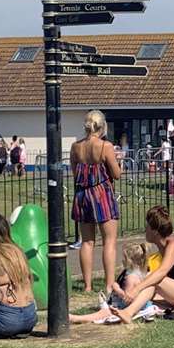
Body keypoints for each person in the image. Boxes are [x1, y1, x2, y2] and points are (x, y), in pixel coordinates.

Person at [111, 206, 174, 322]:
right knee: (146, 296)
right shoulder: (162, 248)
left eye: (147, 227)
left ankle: (128, 313)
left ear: (155, 231)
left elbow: (161, 273)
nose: (145, 230)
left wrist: (136, 289)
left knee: (155, 279)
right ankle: (123, 308)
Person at [70, 110, 122, 294]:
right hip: (102, 195)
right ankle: (109, 285)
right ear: (102, 126)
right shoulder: (105, 146)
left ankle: (87, 285)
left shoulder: (76, 147)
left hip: (83, 195)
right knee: (109, 241)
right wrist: (119, 162)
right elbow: (116, 174)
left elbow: (75, 173)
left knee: (87, 241)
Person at [72, 242, 154, 324]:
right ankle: (77, 318)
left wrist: (117, 289)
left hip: (125, 307)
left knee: (104, 313)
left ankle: (76, 318)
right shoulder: (145, 273)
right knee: (105, 311)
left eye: (124, 258)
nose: (122, 260)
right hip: (143, 305)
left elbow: (127, 299)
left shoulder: (131, 278)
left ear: (128, 261)